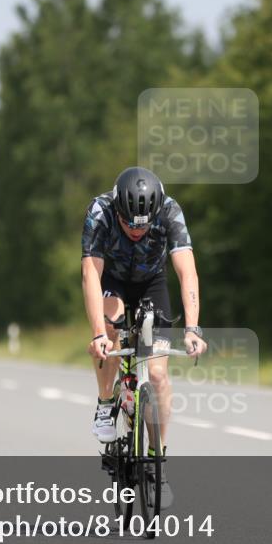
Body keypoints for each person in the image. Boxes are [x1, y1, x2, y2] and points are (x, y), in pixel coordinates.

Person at [81, 167, 207, 507]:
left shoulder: (169, 210)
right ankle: (107, 402)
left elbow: (187, 272)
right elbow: (90, 275)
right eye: (129, 225)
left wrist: (193, 328)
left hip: (153, 284)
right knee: (110, 327)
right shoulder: (100, 211)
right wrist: (98, 334)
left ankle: (157, 462)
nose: (137, 232)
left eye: (143, 225)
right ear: (118, 212)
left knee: (158, 374)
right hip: (115, 283)